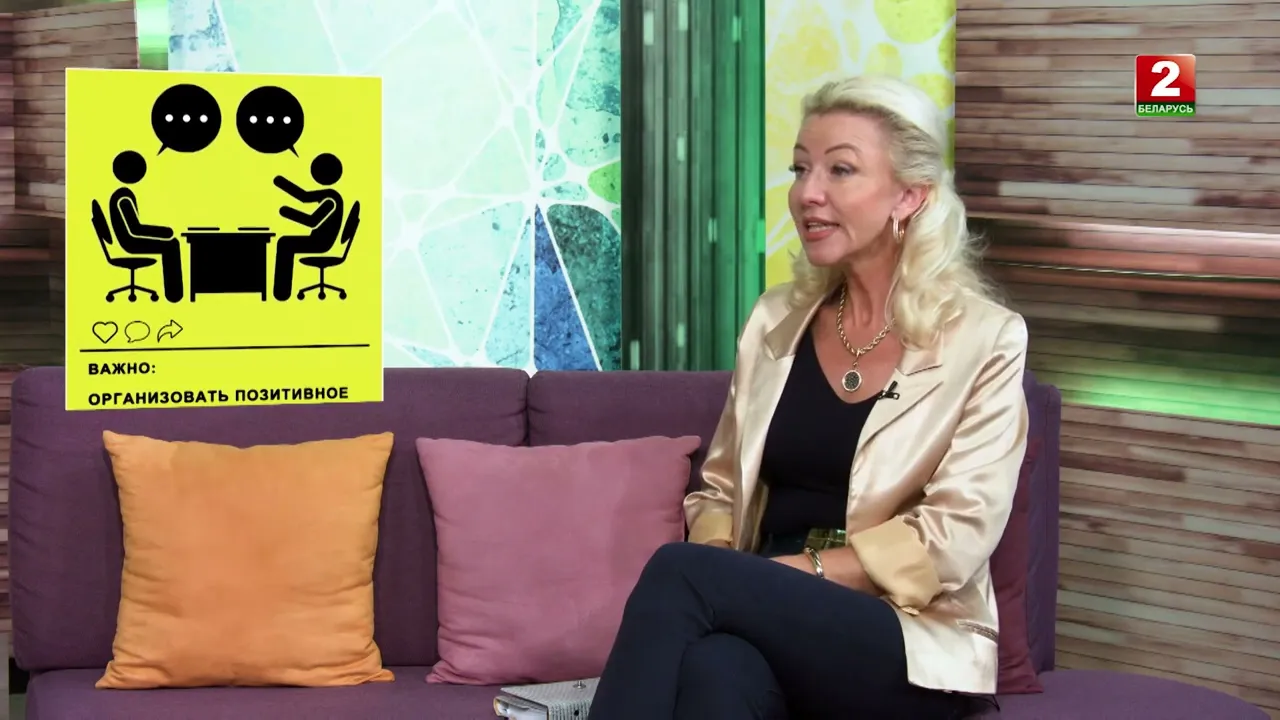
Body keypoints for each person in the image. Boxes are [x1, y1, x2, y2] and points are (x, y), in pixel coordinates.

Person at [589, 75, 1028, 720]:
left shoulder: (986, 337)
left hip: (906, 638)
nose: (806, 194)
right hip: (771, 616)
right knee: (715, 669)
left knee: (681, 573)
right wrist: (730, 572)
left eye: (840, 170)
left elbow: (952, 539)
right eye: (800, 169)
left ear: (909, 195)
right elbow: (719, 491)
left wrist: (777, 575)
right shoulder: (775, 321)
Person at [107, 151, 184, 302]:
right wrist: (166, 232)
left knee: (171, 244)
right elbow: (135, 229)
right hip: (130, 242)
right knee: (171, 246)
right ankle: (174, 294)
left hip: (128, 240)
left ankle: (174, 293)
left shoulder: (120, 194)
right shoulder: (123, 198)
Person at [271, 152, 345, 301]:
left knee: (285, 244)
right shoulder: (331, 195)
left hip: (321, 243)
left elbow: (312, 221)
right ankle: (281, 292)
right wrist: (281, 183)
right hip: (317, 239)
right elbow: (304, 197)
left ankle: (282, 293)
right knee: (285, 242)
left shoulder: (331, 200)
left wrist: (287, 212)